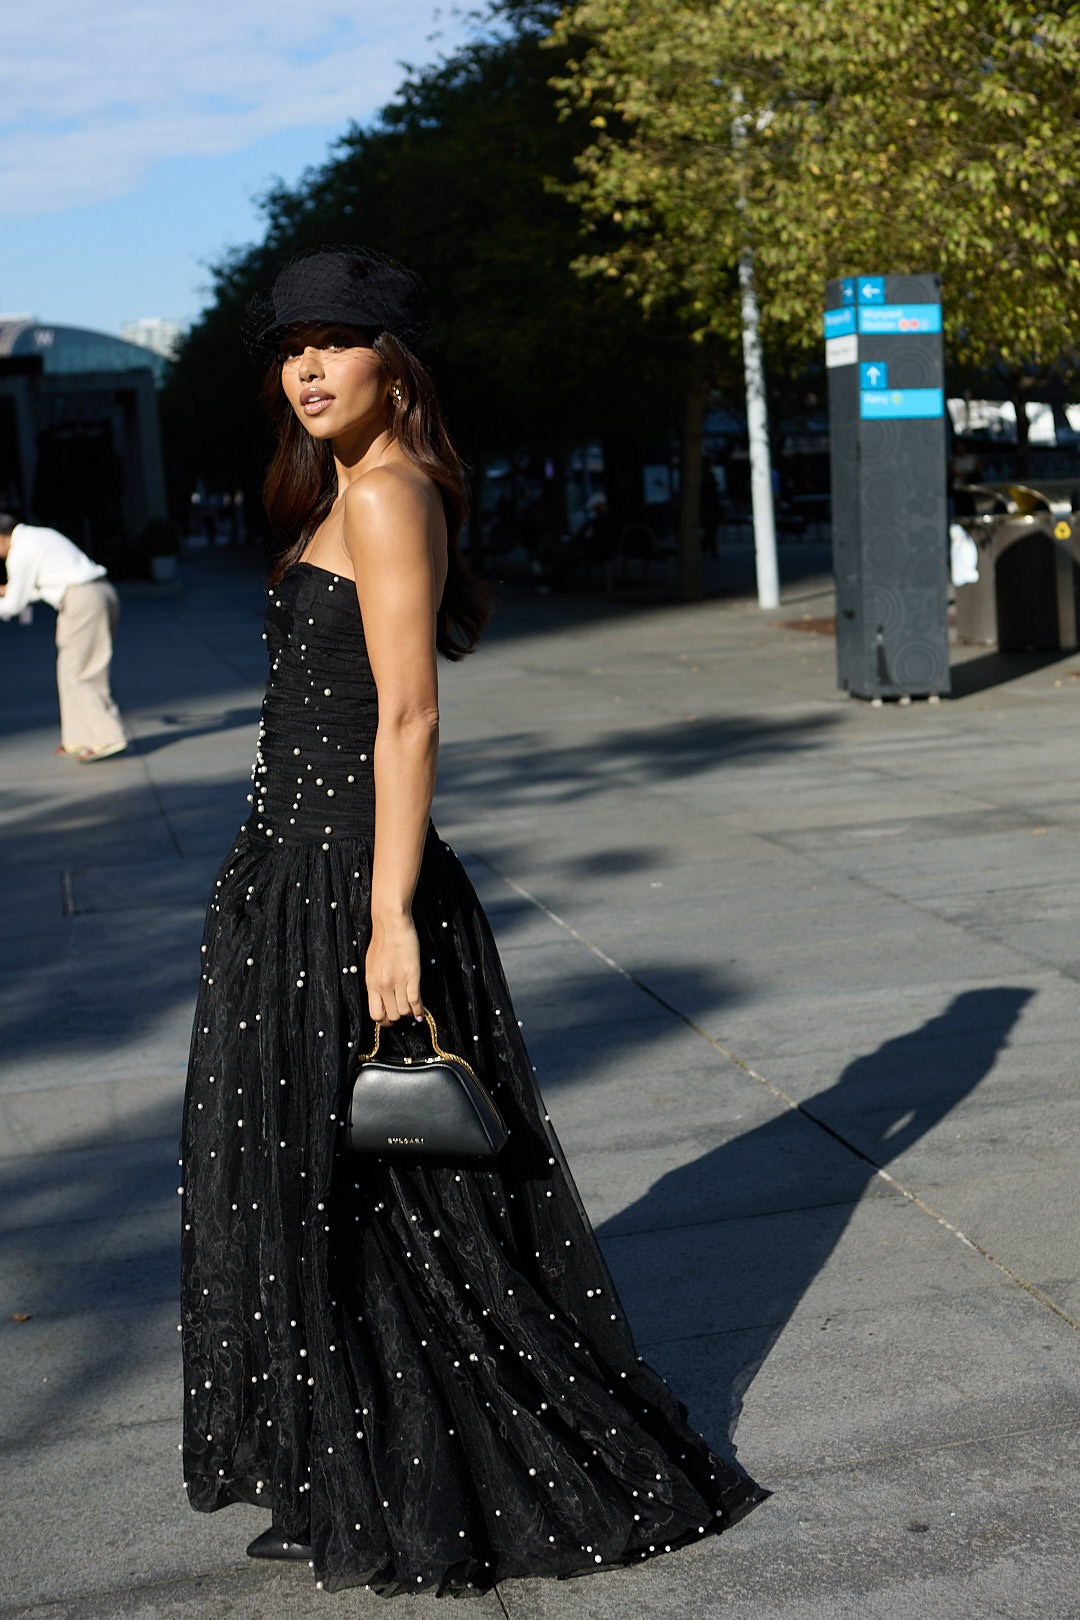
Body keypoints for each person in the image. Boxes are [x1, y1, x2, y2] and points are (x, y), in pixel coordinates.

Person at [178, 246, 766, 1596]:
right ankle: (349, 1437)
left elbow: (409, 716)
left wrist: (387, 918)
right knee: (327, 1180)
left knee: (393, 1193)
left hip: (349, 882)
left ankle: (441, 1447)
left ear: (398, 362)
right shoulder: (336, 486)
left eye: (337, 342)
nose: (307, 368)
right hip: (288, 873)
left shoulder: (390, 494)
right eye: (290, 347)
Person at [0, 514, 127, 762]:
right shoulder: (39, 536)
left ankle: (108, 736)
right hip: (96, 593)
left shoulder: (20, 552)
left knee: (82, 671)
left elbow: (14, 605)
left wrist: (7, 597)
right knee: (70, 671)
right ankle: (78, 737)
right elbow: (42, 584)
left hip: (82, 601)